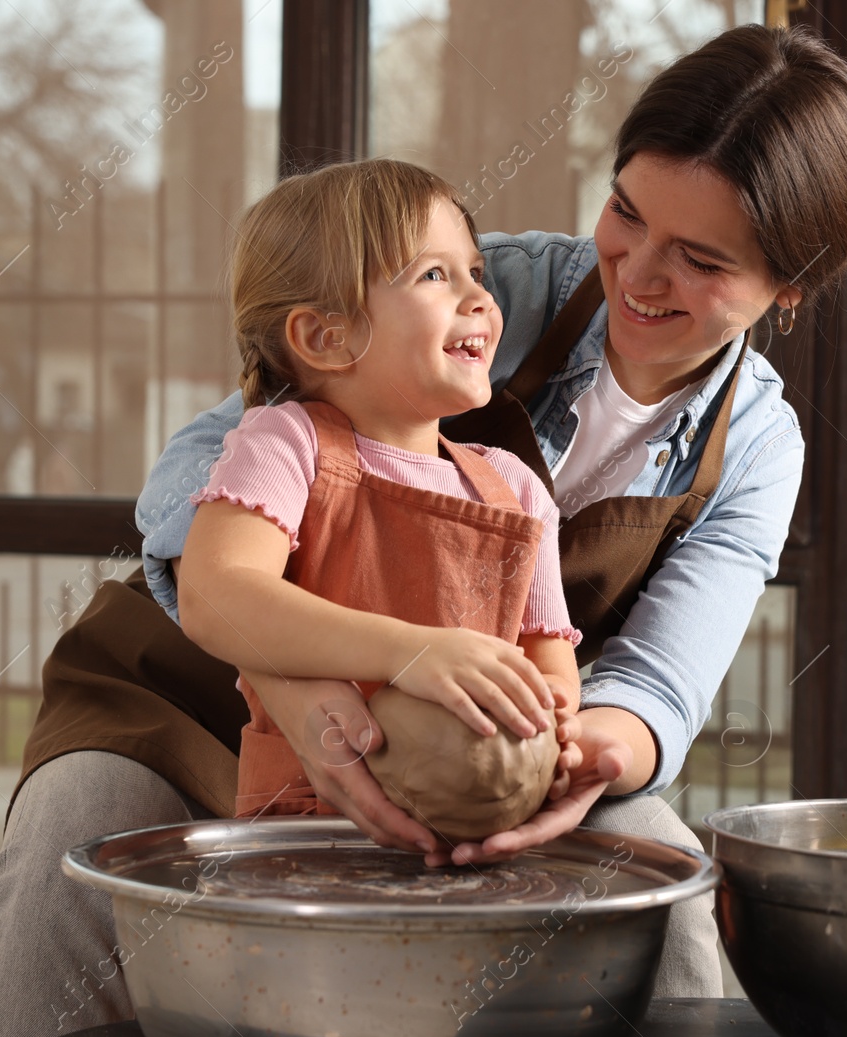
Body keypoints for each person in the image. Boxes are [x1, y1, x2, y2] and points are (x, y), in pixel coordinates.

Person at [0, 23, 847, 1037]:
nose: (639, 273)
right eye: (625, 211)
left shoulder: (754, 446)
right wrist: (302, 677)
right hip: (198, 683)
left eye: (700, 259)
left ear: (788, 287)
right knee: (78, 837)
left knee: (664, 880)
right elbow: (193, 477)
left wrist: (553, 758)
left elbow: (656, 679)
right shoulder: (487, 291)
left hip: (460, 744)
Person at [177, 157, 583, 823]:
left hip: (471, 844)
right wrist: (410, 652)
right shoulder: (287, 443)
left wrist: (553, 728)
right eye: (434, 275)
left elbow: (550, 666)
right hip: (302, 845)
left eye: (475, 273)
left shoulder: (515, 489)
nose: (480, 298)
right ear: (325, 336)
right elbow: (211, 595)